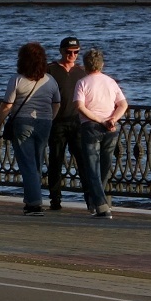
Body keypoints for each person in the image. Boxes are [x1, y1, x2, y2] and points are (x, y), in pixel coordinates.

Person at [0, 42, 60, 216]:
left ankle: (35, 204)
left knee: (27, 164)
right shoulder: (50, 80)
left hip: (23, 123)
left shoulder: (17, 79)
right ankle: (30, 201)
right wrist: (50, 118)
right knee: (37, 163)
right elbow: (57, 102)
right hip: (45, 123)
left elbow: (7, 106)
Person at [73, 48, 128, 219]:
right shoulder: (111, 82)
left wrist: (98, 120)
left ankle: (101, 206)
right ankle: (97, 201)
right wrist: (112, 119)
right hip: (110, 129)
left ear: (85, 65)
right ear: (102, 65)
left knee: (92, 168)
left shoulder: (82, 83)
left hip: (91, 127)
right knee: (104, 166)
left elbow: (79, 106)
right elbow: (123, 104)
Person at [45, 36, 86, 211]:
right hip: (56, 123)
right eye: (69, 52)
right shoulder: (51, 70)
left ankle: (90, 199)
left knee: (83, 162)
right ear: (61, 51)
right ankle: (55, 199)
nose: (72, 55)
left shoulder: (82, 72)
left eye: (76, 52)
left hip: (77, 123)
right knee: (55, 161)